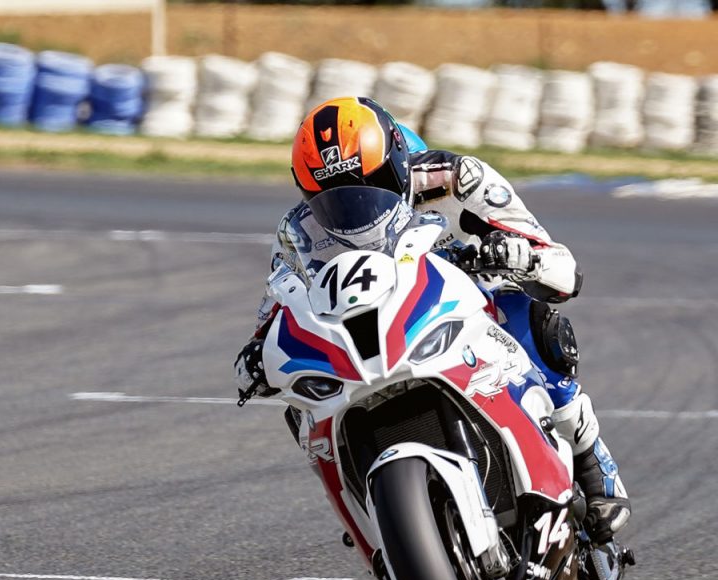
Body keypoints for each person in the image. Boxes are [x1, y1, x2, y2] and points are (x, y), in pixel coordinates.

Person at [234, 96, 630, 544]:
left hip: (463, 305)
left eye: (373, 183)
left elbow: (558, 266)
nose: (353, 209)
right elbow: (277, 308)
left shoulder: (459, 179)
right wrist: (256, 351)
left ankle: (592, 461)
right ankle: (365, 504)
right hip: (376, 331)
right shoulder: (299, 232)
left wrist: (516, 253)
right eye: (331, 198)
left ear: (400, 163)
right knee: (296, 388)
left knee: (531, 316)